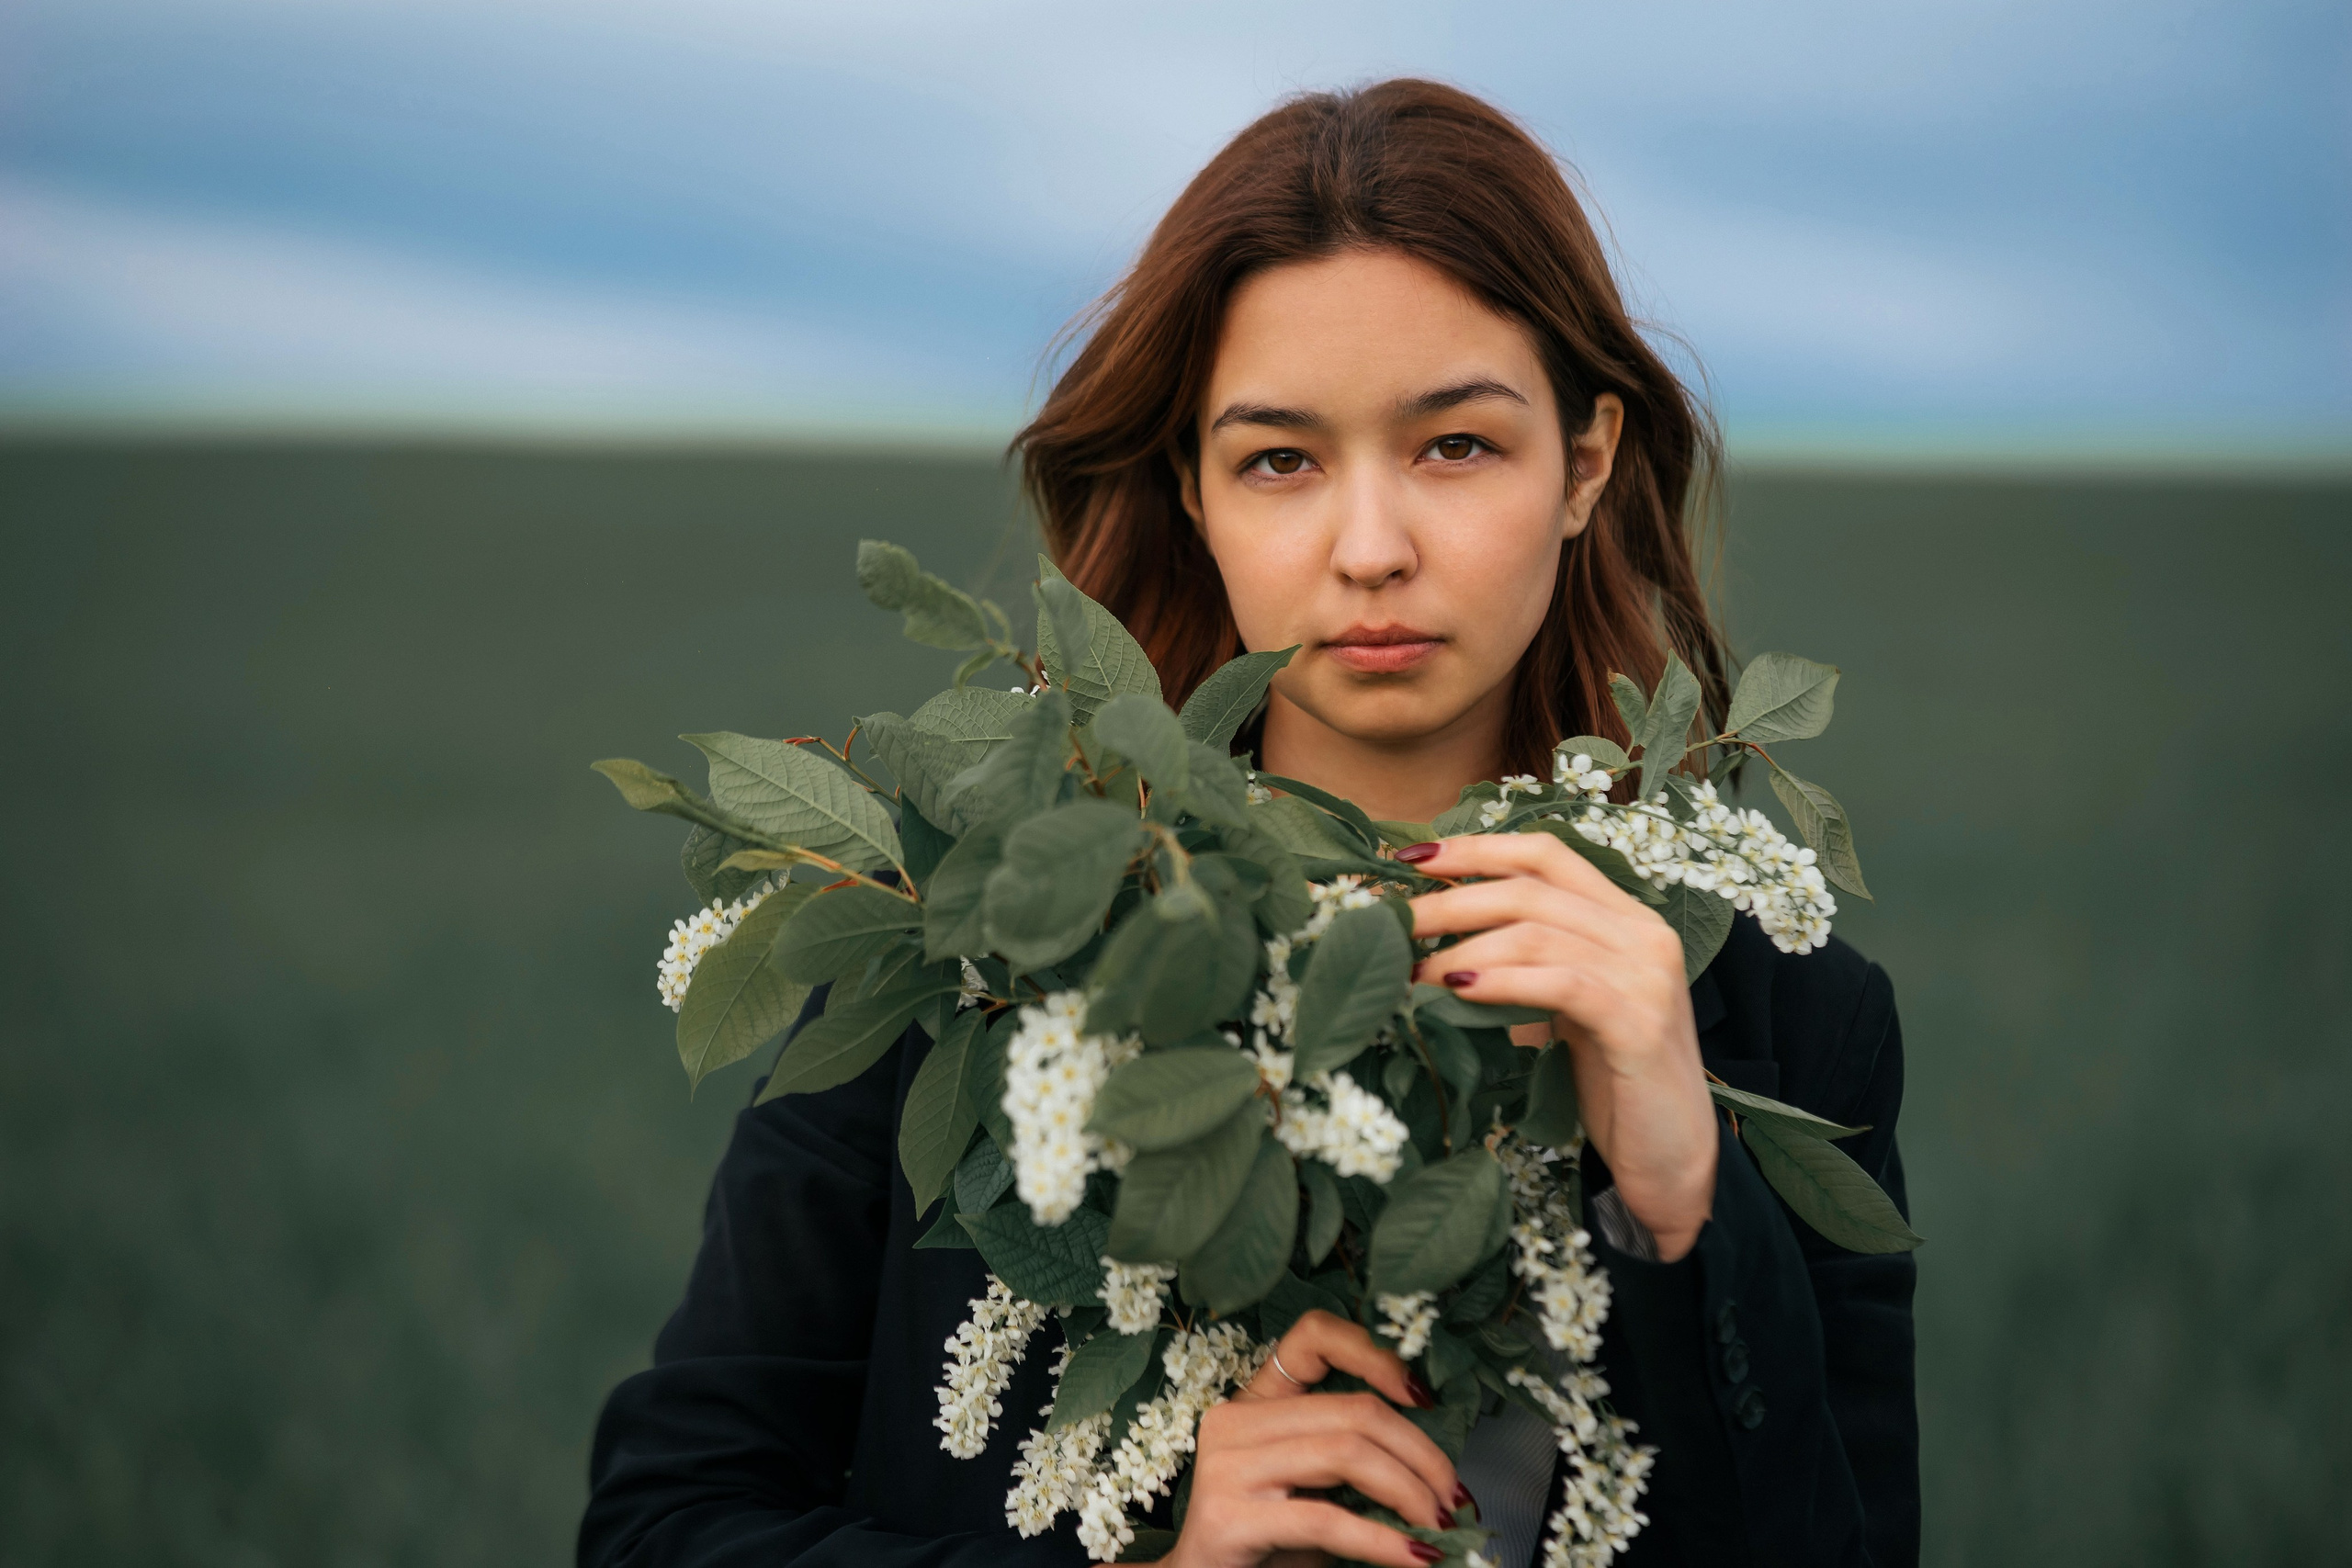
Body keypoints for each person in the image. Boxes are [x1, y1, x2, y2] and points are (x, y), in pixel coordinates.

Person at [581, 79, 1916, 1568]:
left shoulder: (1781, 1023)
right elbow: (663, 1527)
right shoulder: (964, 950)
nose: (1371, 548)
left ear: (1585, 463)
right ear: (1194, 491)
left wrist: (1683, 1209)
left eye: (1456, 446)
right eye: (1280, 459)